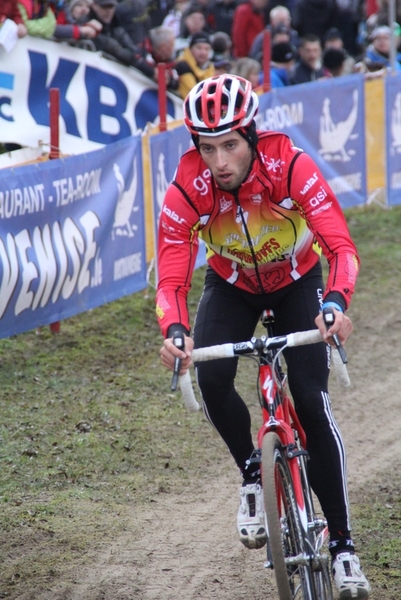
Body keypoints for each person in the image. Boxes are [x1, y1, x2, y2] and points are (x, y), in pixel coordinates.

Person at [156, 73, 371, 599]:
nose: (220, 161)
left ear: (251, 136)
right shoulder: (190, 184)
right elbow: (172, 270)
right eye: (208, 148)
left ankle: (343, 548)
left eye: (230, 145)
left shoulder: (288, 163)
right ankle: (253, 472)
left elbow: (341, 246)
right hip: (230, 285)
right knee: (211, 377)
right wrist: (175, 329)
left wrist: (337, 302)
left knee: (311, 399)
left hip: (299, 281)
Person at [175, 31, 215, 98]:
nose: (203, 53)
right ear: (190, 49)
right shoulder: (182, 66)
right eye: (199, 48)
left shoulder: (209, 68)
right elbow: (194, 94)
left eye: (206, 49)